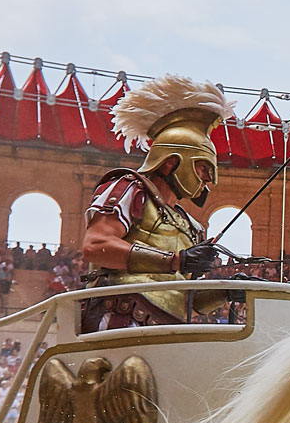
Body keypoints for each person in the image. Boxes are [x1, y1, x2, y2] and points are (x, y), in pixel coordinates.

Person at [78, 75, 234, 331]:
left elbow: (189, 299)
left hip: (170, 331)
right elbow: (95, 245)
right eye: (204, 167)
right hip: (120, 319)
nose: (209, 179)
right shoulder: (129, 187)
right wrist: (175, 260)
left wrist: (227, 291)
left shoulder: (189, 225)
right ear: (172, 161)